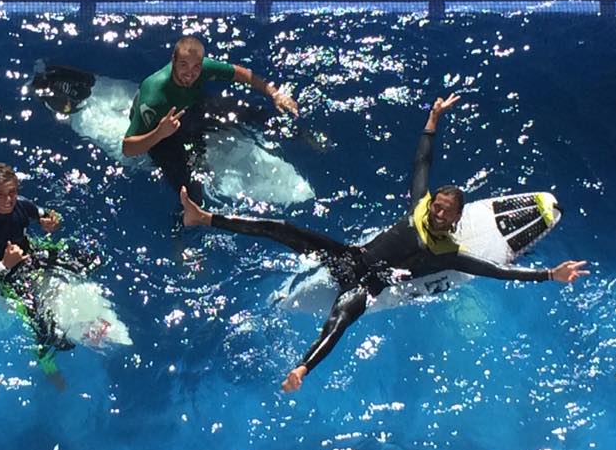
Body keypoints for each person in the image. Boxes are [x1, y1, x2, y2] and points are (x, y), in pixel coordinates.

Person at [180, 94, 589, 393]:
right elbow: (422, 161)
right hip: (349, 258)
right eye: (437, 206)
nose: (438, 213)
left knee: (339, 323)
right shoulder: (418, 206)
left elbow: (495, 271)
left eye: (446, 212)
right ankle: (205, 217)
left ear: (457, 218)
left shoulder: (448, 255)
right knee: (285, 229)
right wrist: (432, 119)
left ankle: (302, 369)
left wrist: (548, 275)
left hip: (371, 285)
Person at [122, 36, 300, 203]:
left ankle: (302, 138)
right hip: (163, 132)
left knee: (255, 114)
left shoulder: (202, 68)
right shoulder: (154, 96)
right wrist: (160, 133)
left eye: (196, 67)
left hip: (191, 108)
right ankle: (183, 223)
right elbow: (128, 148)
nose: (190, 73)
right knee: (193, 193)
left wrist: (274, 93)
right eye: (183, 65)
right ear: (173, 60)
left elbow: (239, 73)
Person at [0, 162, 98, 368]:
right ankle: (47, 365)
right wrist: (4, 265)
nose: (8, 200)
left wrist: (52, 222)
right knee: (47, 332)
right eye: (0, 194)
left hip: (33, 255)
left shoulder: (21, 204)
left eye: (12, 192)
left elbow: (50, 215)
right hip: (10, 276)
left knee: (91, 259)